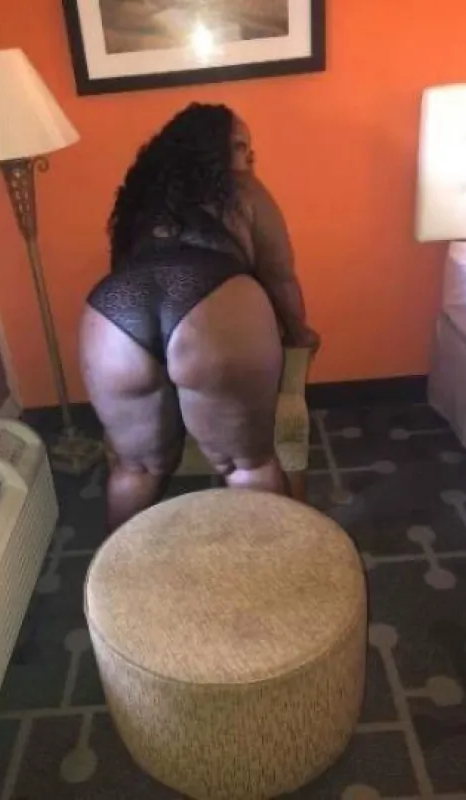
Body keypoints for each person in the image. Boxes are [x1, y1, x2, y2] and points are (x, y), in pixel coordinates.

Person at [80, 102, 318, 531]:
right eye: (239, 146)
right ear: (211, 149)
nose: (248, 158)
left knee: (135, 468)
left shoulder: (140, 193)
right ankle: (279, 564)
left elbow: (123, 262)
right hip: (212, 296)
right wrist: (300, 335)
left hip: (118, 310)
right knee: (247, 464)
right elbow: (279, 276)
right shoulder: (243, 189)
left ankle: (115, 568)